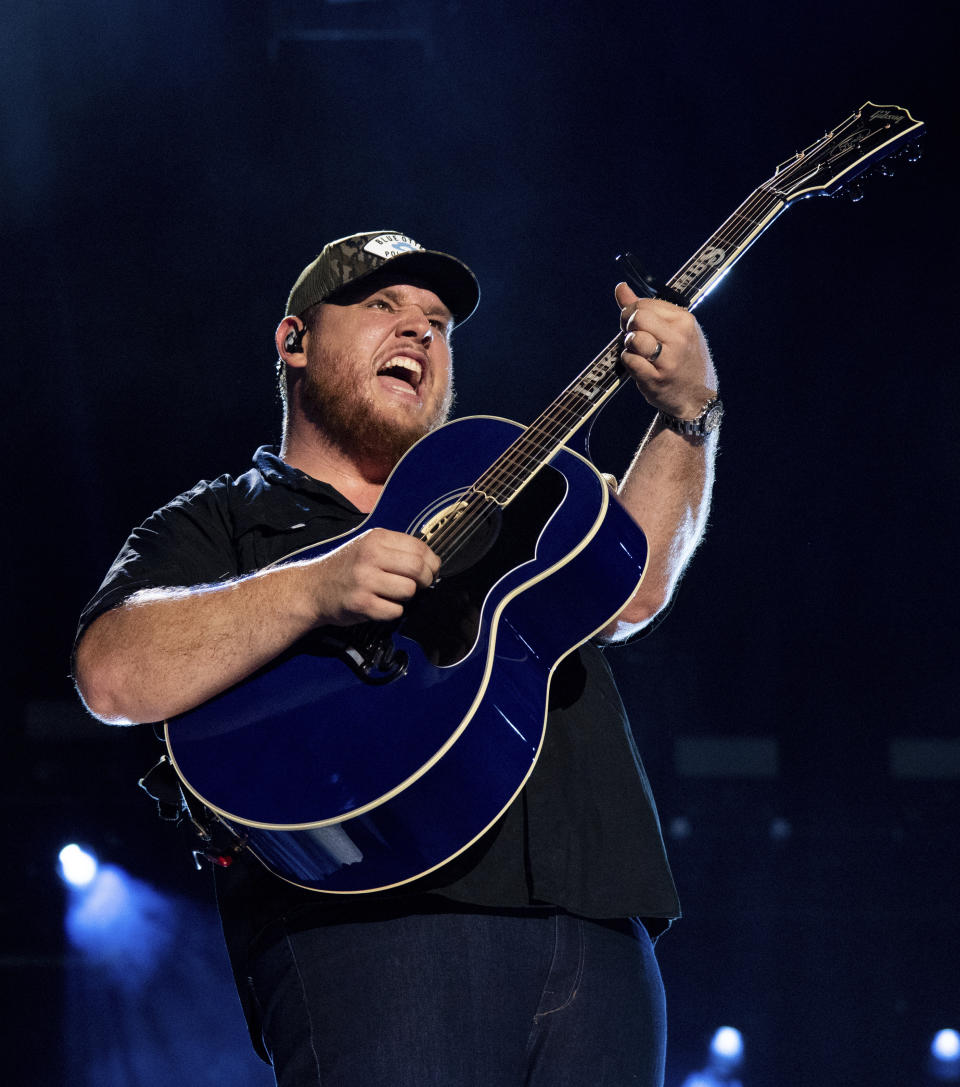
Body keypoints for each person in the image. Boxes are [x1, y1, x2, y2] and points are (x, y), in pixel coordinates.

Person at [73, 230, 720, 1087]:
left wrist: (688, 414)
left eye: (439, 322)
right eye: (382, 306)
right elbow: (113, 673)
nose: (420, 331)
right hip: (373, 923)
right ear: (293, 341)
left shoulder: (508, 488)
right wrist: (314, 586)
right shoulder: (222, 520)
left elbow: (633, 587)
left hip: (599, 919)